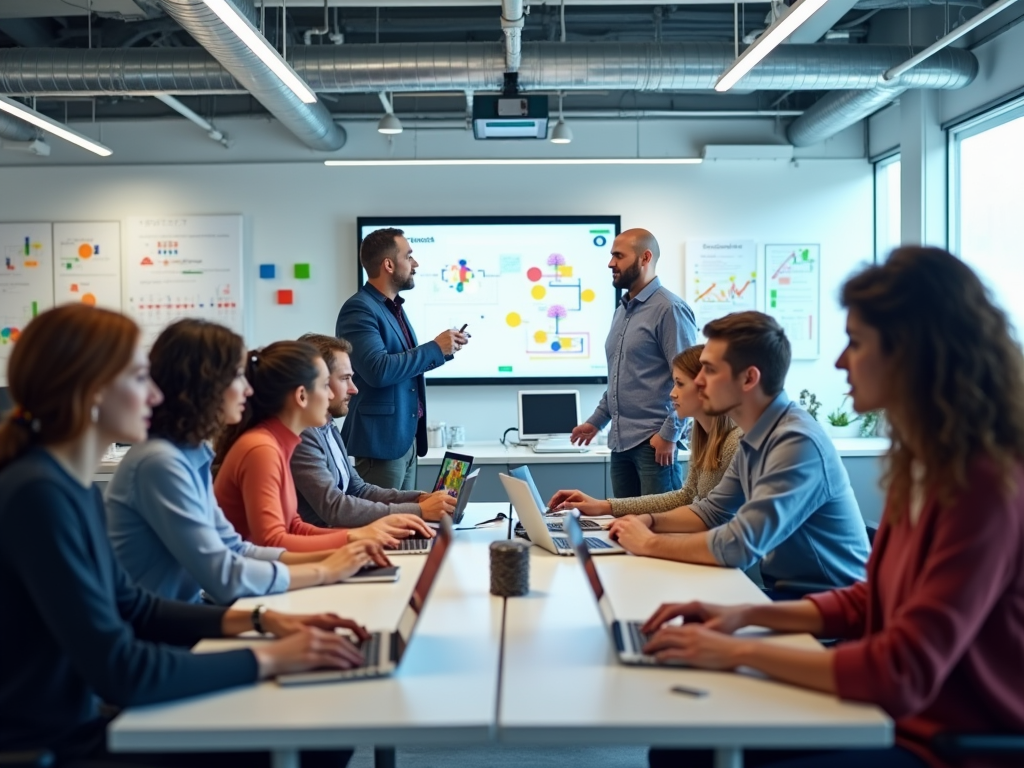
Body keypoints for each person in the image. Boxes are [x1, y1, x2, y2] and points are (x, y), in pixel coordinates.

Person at [640, 247, 1024, 768]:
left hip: (939, 738)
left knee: (697, 747)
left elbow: (905, 670)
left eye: (857, 343)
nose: (841, 361)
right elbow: (875, 600)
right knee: (684, 747)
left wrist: (738, 650)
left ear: (916, 354)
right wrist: (739, 616)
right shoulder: (925, 464)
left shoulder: (983, 485)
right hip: (894, 707)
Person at [0, 305, 369, 768]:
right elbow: (121, 668)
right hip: (58, 744)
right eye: (139, 379)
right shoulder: (38, 495)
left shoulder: (70, 490)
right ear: (91, 391)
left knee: (321, 725)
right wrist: (270, 658)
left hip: (84, 717)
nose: (155, 394)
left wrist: (261, 623)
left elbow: (134, 604)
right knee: (318, 734)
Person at [105, 319, 394, 605]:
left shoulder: (191, 455)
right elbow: (226, 572)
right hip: (169, 627)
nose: (247, 389)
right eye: (237, 375)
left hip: (188, 611)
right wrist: (327, 567)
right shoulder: (162, 462)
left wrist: (347, 550)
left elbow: (236, 548)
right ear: (207, 384)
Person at [607, 311, 869, 593]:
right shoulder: (755, 437)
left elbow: (738, 546)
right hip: (788, 593)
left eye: (710, 370)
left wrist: (649, 542)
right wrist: (648, 521)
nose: (698, 382)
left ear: (748, 379)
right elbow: (711, 512)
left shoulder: (795, 441)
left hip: (828, 604)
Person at [213, 340, 429, 551]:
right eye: (326, 385)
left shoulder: (281, 442)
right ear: (301, 395)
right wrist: (347, 549)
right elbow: (272, 542)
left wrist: (360, 537)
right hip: (255, 577)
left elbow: (294, 526)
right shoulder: (262, 448)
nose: (332, 394)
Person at [336, 228, 469, 490]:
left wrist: (445, 349)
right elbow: (379, 370)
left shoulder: (392, 307)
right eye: (409, 256)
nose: (415, 263)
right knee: (382, 524)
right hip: (382, 442)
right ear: (388, 264)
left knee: (404, 524)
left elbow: (403, 365)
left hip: (404, 438)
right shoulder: (360, 308)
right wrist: (434, 348)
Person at [571, 228, 697, 498]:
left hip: (654, 445)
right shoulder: (622, 310)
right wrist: (596, 422)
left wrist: (670, 434)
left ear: (645, 257)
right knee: (625, 529)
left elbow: (691, 379)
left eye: (618, 255)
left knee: (660, 531)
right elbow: (620, 379)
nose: (610, 263)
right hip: (620, 444)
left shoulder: (669, 309)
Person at [549, 344, 741, 518]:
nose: (672, 393)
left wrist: (647, 527)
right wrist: (603, 505)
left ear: (706, 386)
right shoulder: (702, 438)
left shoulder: (736, 443)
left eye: (680, 384)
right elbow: (687, 496)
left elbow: (716, 517)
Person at [291, 333, 456, 529]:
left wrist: (419, 499)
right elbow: (336, 508)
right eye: (345, 379)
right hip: (325, 544)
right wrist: (420, 510)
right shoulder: (303, 435)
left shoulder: (327, 426)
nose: (354, 389)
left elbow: (358, 489)